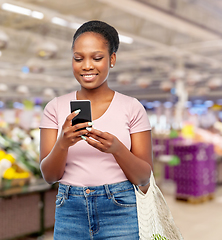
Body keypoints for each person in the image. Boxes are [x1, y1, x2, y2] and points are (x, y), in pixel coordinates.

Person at [39, 20, 153, 239]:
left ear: (112, 59)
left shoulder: (131, 107)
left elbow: (143, 177)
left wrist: (117, 149)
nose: (87, 65)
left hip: (121, 209)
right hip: (69, 209)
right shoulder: (55, 107)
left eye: (97, 58)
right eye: (78, 58)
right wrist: (63, 143)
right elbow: (49, 176)